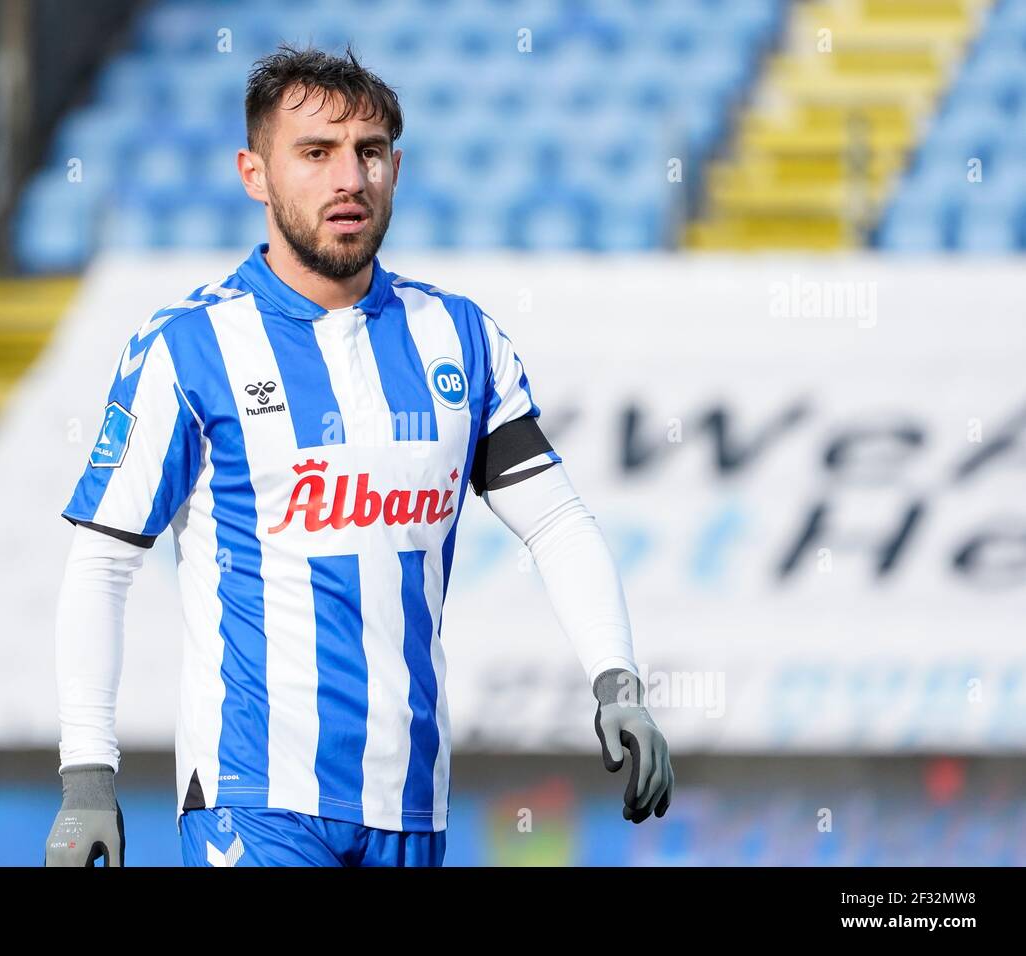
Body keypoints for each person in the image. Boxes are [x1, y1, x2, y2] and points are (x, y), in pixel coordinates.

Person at [45, 43, 672, 868]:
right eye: (315, 154)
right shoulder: (188, 348)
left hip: (410, 799)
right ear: (254, 173)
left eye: (368, 153)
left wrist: (617, 683)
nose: (349, 178)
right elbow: (101, 563)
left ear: (395, 169)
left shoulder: (462, 338)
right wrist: (88, 776)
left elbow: (555, 521)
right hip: (254, 797)